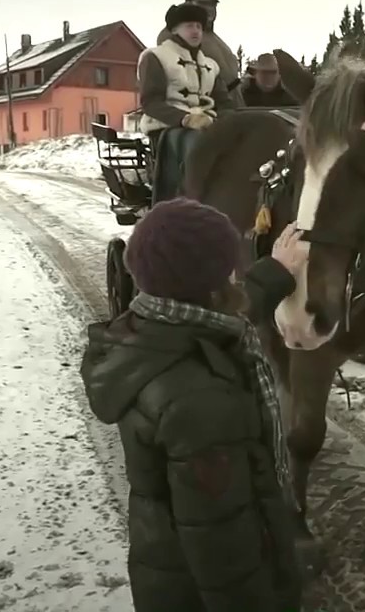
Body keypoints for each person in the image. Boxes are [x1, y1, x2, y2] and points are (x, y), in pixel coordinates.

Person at [80, 202, 308, 612]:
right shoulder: (200, 402)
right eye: (227, 271)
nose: (235, 278)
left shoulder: (150, 335)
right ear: (211, 286)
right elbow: (224, 551)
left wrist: (275, 271)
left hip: (168, 576)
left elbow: (225, 314)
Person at [139, 2, 235, 202]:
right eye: (189, 26)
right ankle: (181, 202)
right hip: (167, 129)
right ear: (174, 29)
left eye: (199, 26)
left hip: (206, 125)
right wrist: (185, 119)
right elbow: (151, 102)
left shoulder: (210, 65)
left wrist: (230, 121)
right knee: (197, 145)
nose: (196, 31)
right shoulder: (155, 56)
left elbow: (224, 102)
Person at [157, 0, 242, 106]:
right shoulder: (173, 34)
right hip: (207, 106)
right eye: (203, 4)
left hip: (233, 102)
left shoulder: (214, 37)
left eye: (212, 4)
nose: (209, 9)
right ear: (189, 3)